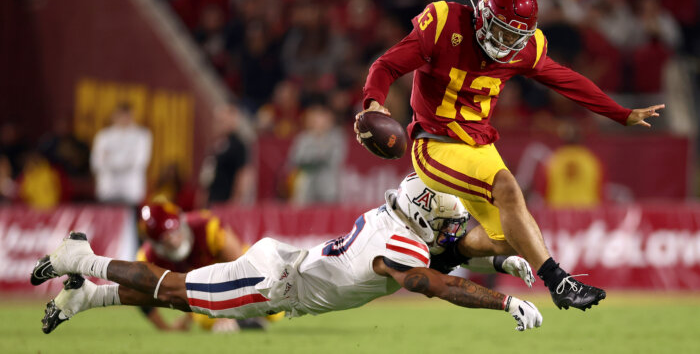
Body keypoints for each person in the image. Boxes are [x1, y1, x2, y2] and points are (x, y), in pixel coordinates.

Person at [355, 0, 665, 310]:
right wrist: (374, 101)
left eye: (514, 35)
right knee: (507, 187)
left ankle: (448, 252)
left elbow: (567, 80)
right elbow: (386, 65)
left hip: (479, 143)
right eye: (501, 30)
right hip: (435, 142)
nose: (505, 41)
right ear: (482, 15)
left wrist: (620, 113)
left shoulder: (527, 48)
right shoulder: (445, 23)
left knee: (513, 237)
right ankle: (559, 281)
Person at [32, 174, 542, 334]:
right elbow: (431, 280)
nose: (457, 229)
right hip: (274, 280)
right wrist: (501, 302)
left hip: (285, 274)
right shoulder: (399, 247)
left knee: (184, 301)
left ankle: (87, 300)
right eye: (450, 220)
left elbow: (444, 256)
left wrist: (500, 260)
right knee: (177, 288)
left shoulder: (395, 222)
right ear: (427, 214)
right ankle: (82, 260)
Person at [135, 200, 265, 332]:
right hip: (208, 294)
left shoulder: (207, 226)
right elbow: (141, 297)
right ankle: (246, 321)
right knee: (204, 316)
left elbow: (243, 265)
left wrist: (228, 308)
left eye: (176, 233)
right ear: (155, 244)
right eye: (166, 240)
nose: (175, 242)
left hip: (236, 279)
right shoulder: (147, 258)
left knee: (268, 301)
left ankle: (246, 317)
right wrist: (166, 329)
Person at [90, 102, 152, 206]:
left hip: (131, 189)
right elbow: (97, 162)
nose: (124, 118)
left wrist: (110, 159)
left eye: (127, 115)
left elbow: (140, 162)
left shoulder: (142, 136)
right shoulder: (104, 136)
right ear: (114, 116)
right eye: (120, 115)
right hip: (108, 188)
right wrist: (123, 159)